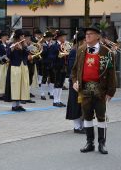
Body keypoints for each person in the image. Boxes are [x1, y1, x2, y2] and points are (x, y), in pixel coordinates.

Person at [71, 24, 116, 154]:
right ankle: (89, 142)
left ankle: (102, 143)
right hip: (85, 87)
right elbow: (74, 70)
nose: (87, 36)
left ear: (97, 36)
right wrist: (75, 81)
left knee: (101, 116)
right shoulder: (81, 49)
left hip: (100, 88)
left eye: (90, 34)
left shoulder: (106, 51)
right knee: (87, 116)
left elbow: (111, 73)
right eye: (86, 34)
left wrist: (111, 91)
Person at [4, 29, 29, 112]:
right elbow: (8, 55)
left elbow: (27, 54)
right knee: (15, 85)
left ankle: (19, 105)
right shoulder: (11, 44)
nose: (23, 37)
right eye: (22, 36)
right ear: (18, 36)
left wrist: (25, 47)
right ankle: (14, 105)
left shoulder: (24, 44)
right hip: (15, 66)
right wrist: (13, 49)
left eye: (23, 36)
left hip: (23, 66)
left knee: (22, 85)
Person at [66, 30, 85, 134]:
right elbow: (72, 67)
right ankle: (77, 127)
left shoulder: (84, 50)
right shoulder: (74, 51)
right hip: (75, 80)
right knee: (75, 103)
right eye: (85, 40)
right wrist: (76, 80)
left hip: (84, 80)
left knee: (83, 104)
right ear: (81, 41)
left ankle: (82, 125)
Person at [49, 30, 68, 107]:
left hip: (64, 66)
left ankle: (59, 100)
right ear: (59, 37)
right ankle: (55, 101)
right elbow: (50, 56)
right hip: (57, 67)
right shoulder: (54, 46)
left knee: (61, 84)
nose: (65, 38)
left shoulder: (65, 45)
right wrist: (58, 55)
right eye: (64, 36)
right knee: (57, 83)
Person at [40, 31, 53, 100]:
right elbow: (43, 54)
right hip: (45, 63)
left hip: (52, 63)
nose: (49, 39)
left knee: (52, 78)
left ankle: (51, 93)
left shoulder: (53, 44)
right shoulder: (43, 45)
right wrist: (48, 47)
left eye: (50, 37)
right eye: (47, 37)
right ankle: (42, 94)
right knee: (44, 78)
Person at [0, 31, 10, 100]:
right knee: (2, 78)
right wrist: (5, 59)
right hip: (2, 64)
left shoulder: (7, 45)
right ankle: (1, 94)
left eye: (7, 36)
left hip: (7, 64)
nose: (6, 38)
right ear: (1, 37)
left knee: (6, 79)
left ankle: (6, 92)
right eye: (5, 36)